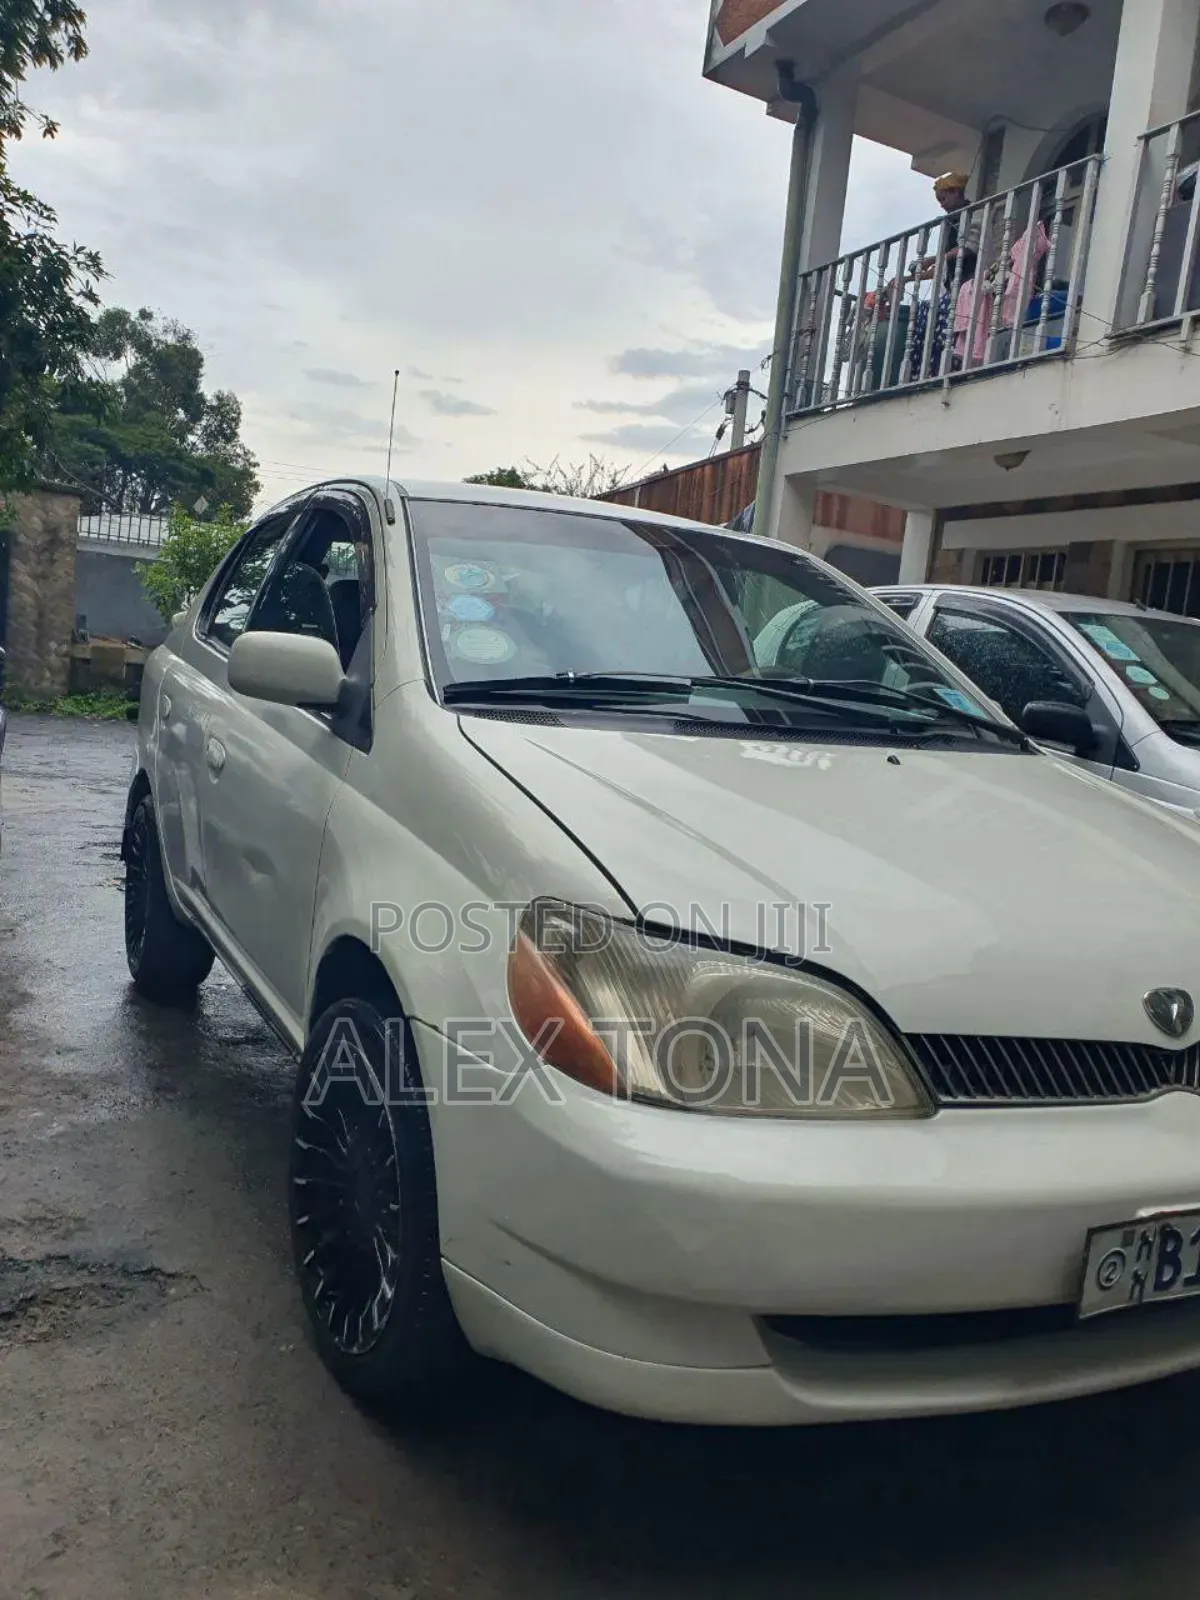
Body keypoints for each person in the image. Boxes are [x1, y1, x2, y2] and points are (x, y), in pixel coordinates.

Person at [907, 171, 979, 379]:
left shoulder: (974, 213)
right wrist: (917, 274)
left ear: (956, 192)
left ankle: (946, 367)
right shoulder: (950, 221)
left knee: (944, 320)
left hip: (970, 284)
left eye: (943, 198)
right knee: (923, 311)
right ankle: (920, 370)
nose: (941, 204)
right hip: (953, 286)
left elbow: (969, 248)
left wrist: (932, 259)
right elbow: (945, 262)